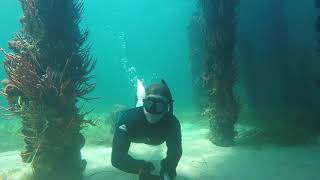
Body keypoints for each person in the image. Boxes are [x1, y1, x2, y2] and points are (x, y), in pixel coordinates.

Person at [111, 79, 182, 180]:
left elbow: (175, 152)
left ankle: (142, 93)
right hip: (137, 119)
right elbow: (117, 159)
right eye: (149, 104)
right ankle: (139, 89)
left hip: (143, 128)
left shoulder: (172, 123)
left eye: (159, 106)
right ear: (145, 102)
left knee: (140, 104)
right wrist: (141, 167)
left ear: (167, 107)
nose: (152, 112)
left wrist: (169, 167)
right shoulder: (128, 119)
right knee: (136, 105)